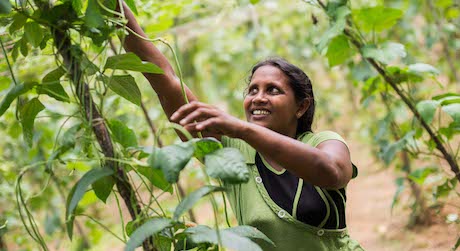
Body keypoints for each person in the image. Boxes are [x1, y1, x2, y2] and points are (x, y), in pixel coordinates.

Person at [119, 2, 364, 250]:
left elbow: (331, 172)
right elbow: (166, 80)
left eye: (273, 90)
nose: (258, 97)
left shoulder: (323, 142)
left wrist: (242, 129)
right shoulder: (231, 155)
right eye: (252, 90)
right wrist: (118, 11)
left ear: (301, 107)